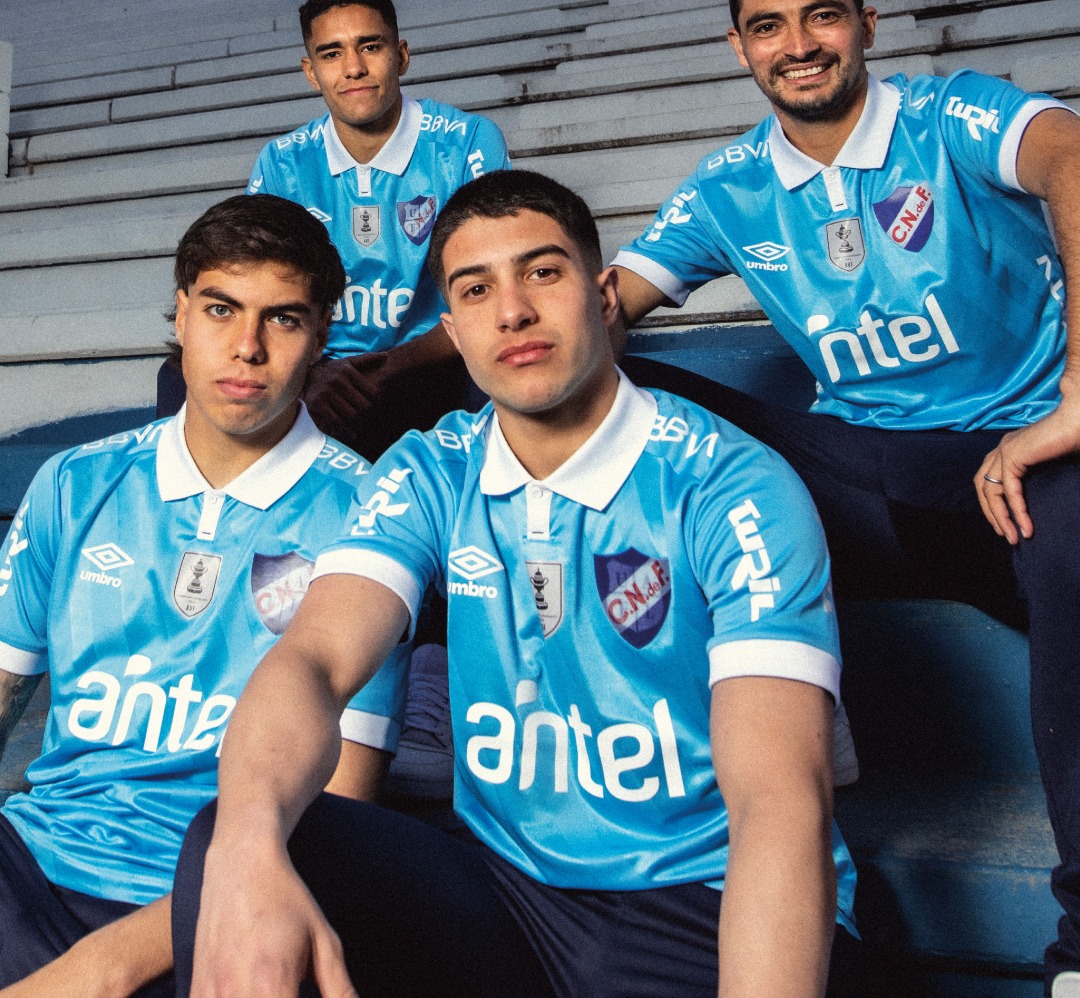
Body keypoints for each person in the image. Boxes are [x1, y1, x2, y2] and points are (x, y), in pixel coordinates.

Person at [174, 169, 859, 998]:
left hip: (695, 900)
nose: (513, 311)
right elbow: (314, 659)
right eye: (475, 289)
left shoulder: (731, 485)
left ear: (603, 296)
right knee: (241, 839)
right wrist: (245, 845)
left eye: (542, 271)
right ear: (453, 332)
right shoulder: (432, 468)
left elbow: (779, 804)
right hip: (511, 897)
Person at [611, 0, 1080, 995]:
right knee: (613, 398)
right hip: (859, 483)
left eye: (821, 16)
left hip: (1017, 467)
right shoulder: (731, 184)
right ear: (739, 46)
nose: (798, 44)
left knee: (1073, 527)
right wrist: (392, 370)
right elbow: (593, 311)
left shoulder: (947, 116)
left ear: (865, 24)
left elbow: (1072, 153)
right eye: (768, 26)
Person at [0, 195, 408, 997]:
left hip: (221, 898)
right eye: (221, 309)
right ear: (182, 313)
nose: (247, 347)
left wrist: (102, 967)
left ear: (322, 334)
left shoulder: (371, 513)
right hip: (36, 859)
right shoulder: (74, 482)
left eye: (282, 319)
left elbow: (340, 814)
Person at [244, 0, 510, 460]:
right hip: (318, 375)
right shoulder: (283, 162)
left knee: (493, 362)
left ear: (401, 55)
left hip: (435, 363)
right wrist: (311, 374)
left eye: (370, 46)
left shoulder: (465, 141)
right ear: (310, 72)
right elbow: (256, 294)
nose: (353, 67)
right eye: (331, 54)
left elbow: (496, 286)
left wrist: (392, 366)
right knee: (184, 373)